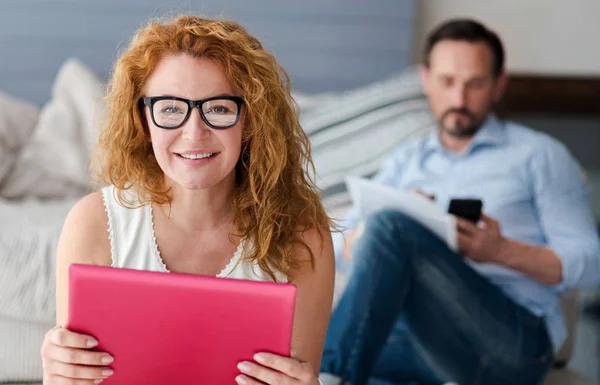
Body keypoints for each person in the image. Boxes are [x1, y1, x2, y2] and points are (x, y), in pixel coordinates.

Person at [40, 15, 335, 385]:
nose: (194, 133)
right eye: (170, 109)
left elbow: (301, 372)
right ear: (143, 120)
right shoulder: (93, 222)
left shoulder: (302, 231)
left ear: (251, 121)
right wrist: (58, 376)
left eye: (219, 109)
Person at [319, 19, 600, 385]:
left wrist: (501, 250)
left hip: (511, 342)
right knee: (294, 348)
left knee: (392, 227)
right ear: (426, 80)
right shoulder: (406, 161)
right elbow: (339, 244)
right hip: (422, 341)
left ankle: (326, 376)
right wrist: (369, 237)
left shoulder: (540, 156)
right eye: (447, 82)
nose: (459, 100)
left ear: (499, 85)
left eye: (475, 84)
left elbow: (591, 264)